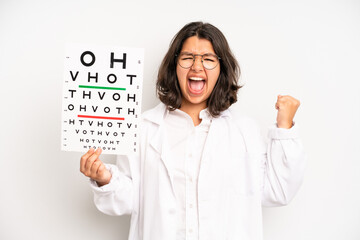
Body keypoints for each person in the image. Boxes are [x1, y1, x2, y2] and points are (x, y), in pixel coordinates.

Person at [80, 21, 305, 240]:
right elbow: (128, 200)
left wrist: (284, 127)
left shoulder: (244, 130)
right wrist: (104, 179)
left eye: (208, 59)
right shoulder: (143, 128)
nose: (197, 67)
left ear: (221, 69)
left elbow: (277, 191)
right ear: (174, 66)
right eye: (188, 58)